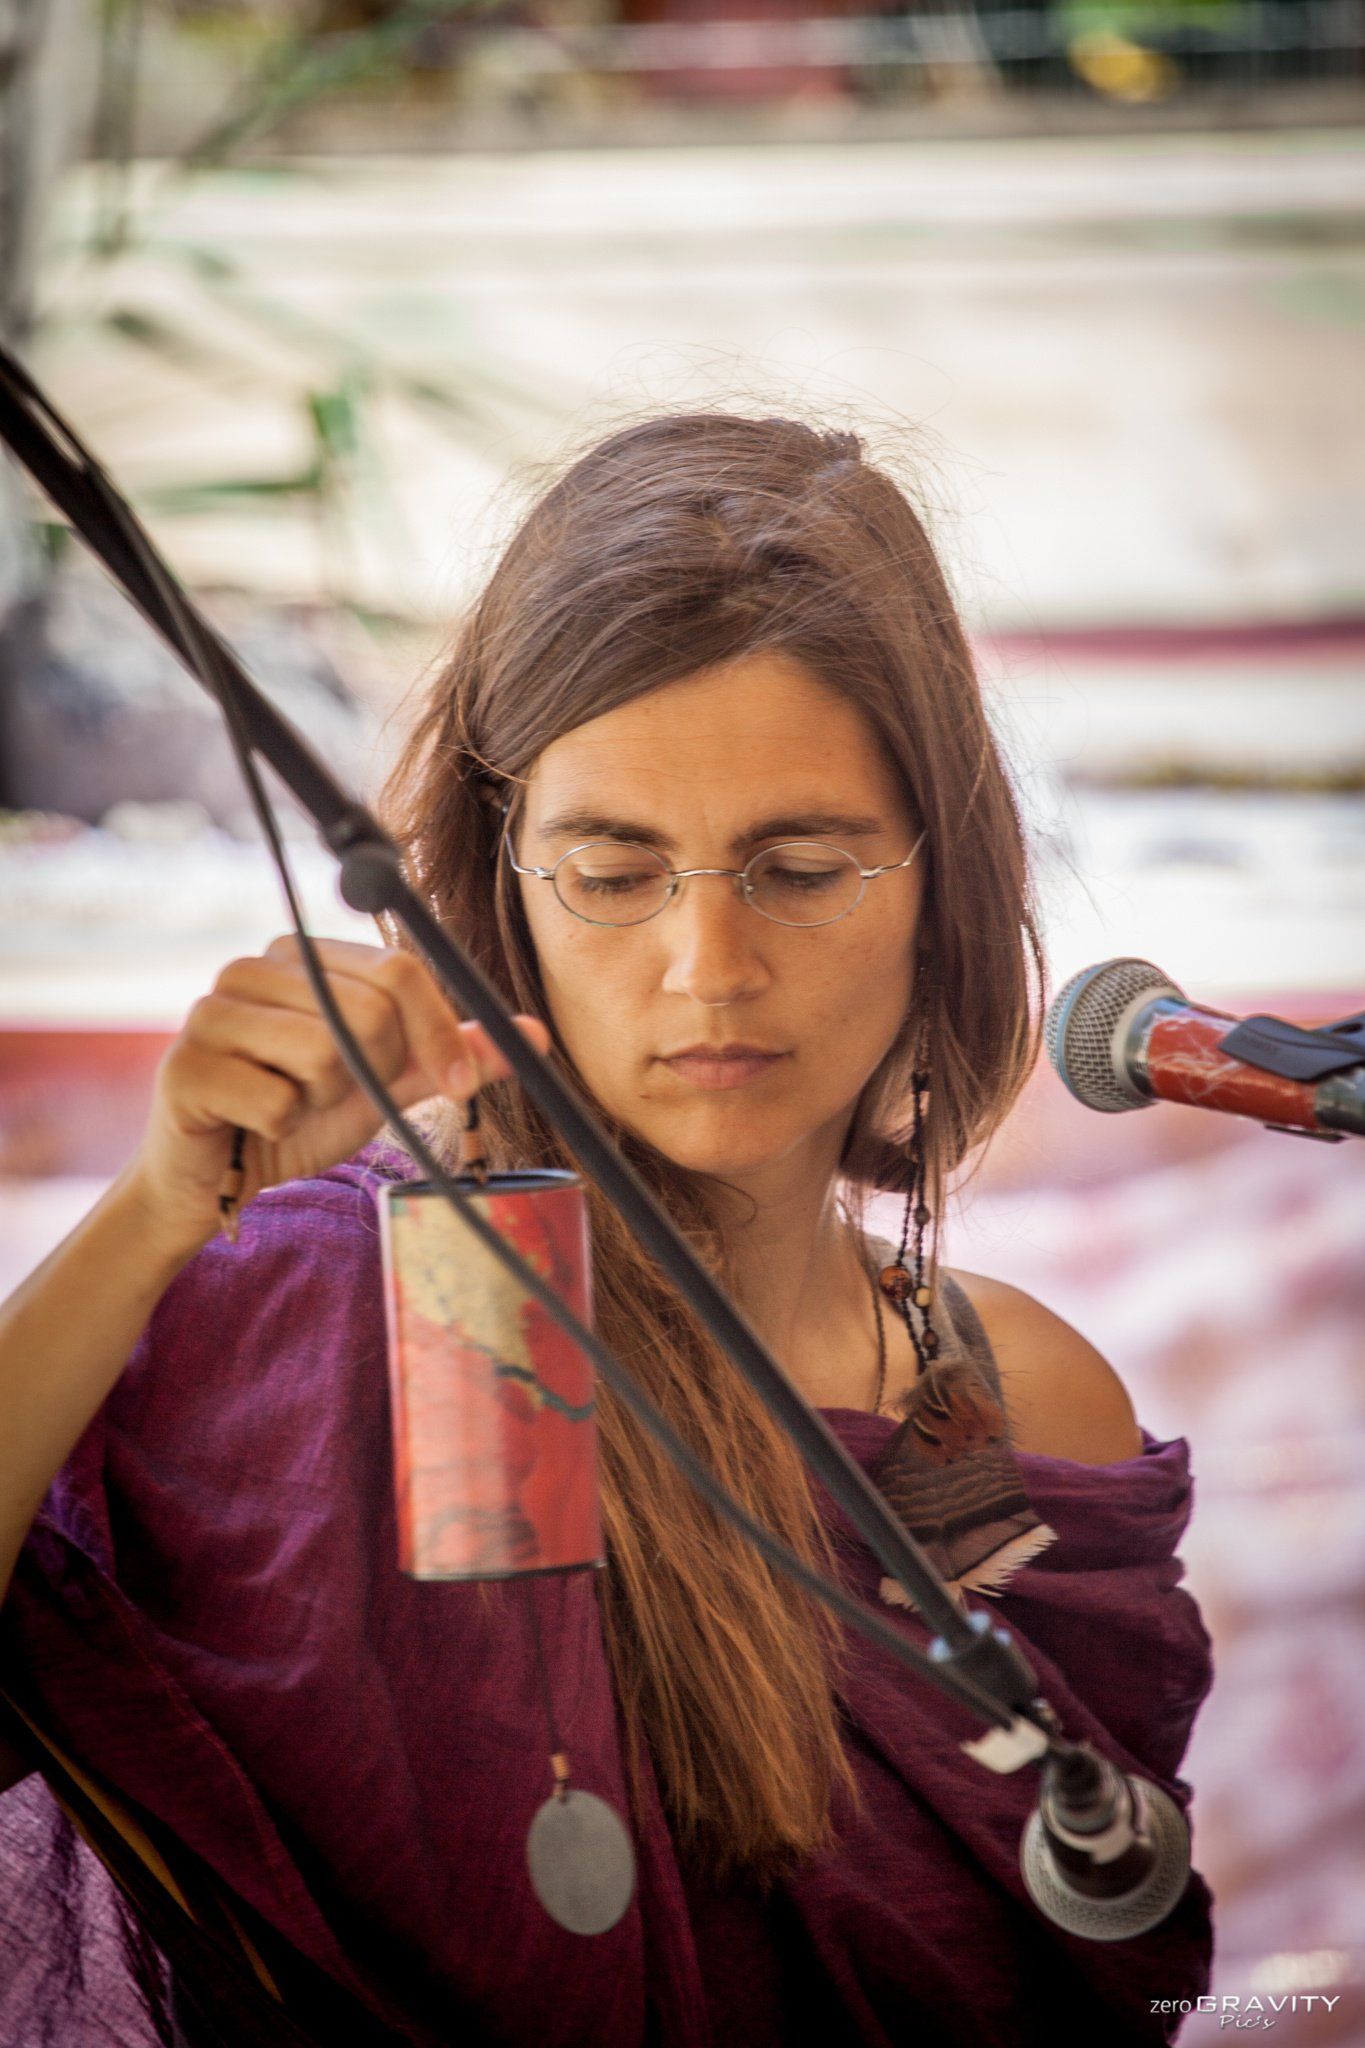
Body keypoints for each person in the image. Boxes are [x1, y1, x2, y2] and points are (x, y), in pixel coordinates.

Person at [0, 412, 1215, 2046]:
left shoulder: (1024, 1410)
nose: (706, 966)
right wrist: (150, 1222)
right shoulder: (311, 1308)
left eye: (797, 869)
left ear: (941, 883)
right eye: (614, 872)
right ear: (498, 889)